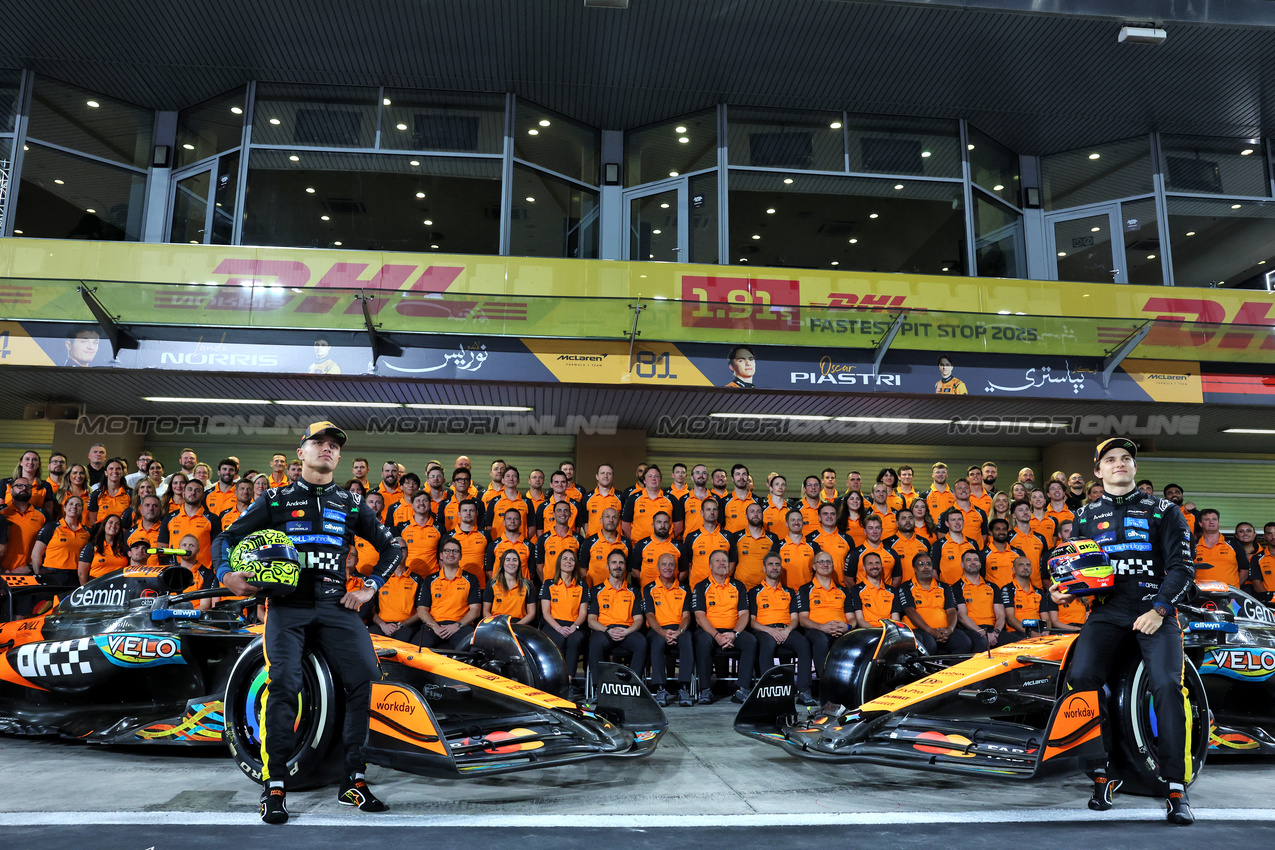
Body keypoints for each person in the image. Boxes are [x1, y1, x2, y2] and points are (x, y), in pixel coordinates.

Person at [213, 421, 403, 823]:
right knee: (283, 685)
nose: (328, 449)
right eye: (319, 442)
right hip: (288, 605)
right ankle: (275, 786)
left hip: (337, 604)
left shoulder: (352, 503)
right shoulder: (275, 498)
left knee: (366, 680)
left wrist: (369, 587)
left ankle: (353, 780)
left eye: (334, 445)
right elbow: (225, 539)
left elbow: (392, 548)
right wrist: (226, 575)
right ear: (301, 453)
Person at [1057, 437, 1195, 824]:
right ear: (1098, 472)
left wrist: (1160, 608)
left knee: (1167, 685)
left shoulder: (1165, 510)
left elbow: (1184, 569)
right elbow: (1080, 571)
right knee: (1082, 677)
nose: (1120, 463)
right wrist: (1066, 590)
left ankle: (1175, 786)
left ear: (1134, 468)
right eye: (1111, 459)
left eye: (1126, 459)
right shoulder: (1085, 516)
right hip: (1107, 611)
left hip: (1155, 608)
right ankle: (1101, 773)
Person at [750, 551, 816, 706]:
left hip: (786, 630)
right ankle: (770, 689)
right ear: (764, 568)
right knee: (767, 644)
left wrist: (787, 630)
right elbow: (751, 622)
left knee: (804, 644)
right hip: (764, 631)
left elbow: (795, 619)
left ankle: (803, 691)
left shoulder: (789, 592)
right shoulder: (754, 592)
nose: (774, 567)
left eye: (777, 564)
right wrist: (770, 631)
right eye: (770, 564)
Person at [692, 549, 756, 705]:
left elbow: (744, 615)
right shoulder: (701, 586)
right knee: (701, 641)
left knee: (751, 641)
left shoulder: (738, 586)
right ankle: (705, 690)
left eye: (724, 561)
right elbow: (699, 616)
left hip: (733, 631)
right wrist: (717, 636)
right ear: (710, 565)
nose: (722, 564)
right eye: (717, 561)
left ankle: (743, 690)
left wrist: (734, 634)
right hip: (710, 632)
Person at [587, 550, 646, 697]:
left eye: (621, 562)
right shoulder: (596, 590)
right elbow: (591, 620)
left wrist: (627, 631)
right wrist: (607, 630)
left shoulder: (634, 591)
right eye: (614, 562)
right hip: (604, 631)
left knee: (642, 643)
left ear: (625, 566)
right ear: (607, 566)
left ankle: (632, 687)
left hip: (627, 631)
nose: (617, 566)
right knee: (594, 643)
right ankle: (599, 689)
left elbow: (639, 619)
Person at [643, 552, 693, 708]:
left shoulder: (685, 589)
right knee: (657, 642)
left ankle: (684, 688)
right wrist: (662, 632)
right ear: (658, 567)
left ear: (676, 568)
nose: (667, 567)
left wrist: (680, 631)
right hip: (658, 630)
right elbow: (650, 616)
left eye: (671, 564)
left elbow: (686, 616)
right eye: (664, 564)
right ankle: (660, 688)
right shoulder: (649, 588)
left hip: (679, 629)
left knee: (687, 640)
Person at [897, 552, 971, 655]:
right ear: (914, 569)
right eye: (921, 564)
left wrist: (949, 630)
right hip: (918, 630)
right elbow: (910, 611)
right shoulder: (906, 586)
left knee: (964, 642)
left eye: (929, 564)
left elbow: (951, 611)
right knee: (930, 643)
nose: (926, 567)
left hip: (943, 631)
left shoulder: (944, 586)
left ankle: (952, 671)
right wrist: (931, 631)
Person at [540, 549, 589, 699]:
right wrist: (558, 628)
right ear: (559, 563)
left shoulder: (581, 585)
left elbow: (583, 613)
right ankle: (556, 682)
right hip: (554, 624)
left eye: (572, 559)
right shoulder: (549, 583)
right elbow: (546, 612)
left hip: (575, 624)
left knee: (574, 640)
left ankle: (568, 683)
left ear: (576, 564)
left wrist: (574, 626)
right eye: (565, 559)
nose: (568, 562)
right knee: (559, 639)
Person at [30, 494, 91, 587]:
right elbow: (35, 555)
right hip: (52, 575)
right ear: (65, 508)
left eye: (78, 505)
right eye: (71, 504)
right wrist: (41, 575)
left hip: (74, 577)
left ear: (82, 510)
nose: (74, 507)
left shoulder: (87, 532)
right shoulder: (52, 527)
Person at [953, 549, 1004, 651]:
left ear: (980, 564)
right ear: (962, 564)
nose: (973, 562)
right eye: (969, 560)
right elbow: (962, 616)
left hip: (993, 629)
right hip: (971, 629)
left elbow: (1001, 615)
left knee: (1016, 643)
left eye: (976, 560)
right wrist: (983, 633)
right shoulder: (956, 587)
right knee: (982, 642)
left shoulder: (992, 587)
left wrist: (996, 633)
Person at [368, 557, 422, 644]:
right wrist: (383, 625)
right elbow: (371, 609)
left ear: (407, 553)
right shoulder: (380, 578)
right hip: (381, 624)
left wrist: (401, 625)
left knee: (402, 641)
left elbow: (421, 611)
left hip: (406, 625)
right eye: (398, 550)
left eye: (403, 549)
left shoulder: (417, 579)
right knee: (368, 639)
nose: (400, 552)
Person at [1, 478, 46, 574]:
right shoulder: (1, 513)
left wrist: (30, 567)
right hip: (2, 572)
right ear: (11, 490)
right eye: (19, 486)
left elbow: (49, 546)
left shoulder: (43, 515)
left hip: (28, 573)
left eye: (28, 486)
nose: (24, 488)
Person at [1193, 509, 1248, 588]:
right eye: (1207, 519)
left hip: (1229, 595)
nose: (1211, 522)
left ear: (1218, 522)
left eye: (1214, 519)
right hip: (1202, 595)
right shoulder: (1193, 546)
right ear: (1200, 524)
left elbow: (1245, 570)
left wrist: (1234, 589)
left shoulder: (1233, 543)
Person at [484, 549, 536, 625]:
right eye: (508, 560)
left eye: (515, 560)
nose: (511, 563)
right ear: (502, 563)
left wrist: (517, 626)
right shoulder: (492, 583)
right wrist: (497, 624)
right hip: (497, 623)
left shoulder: (527, 585)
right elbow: (485, 611)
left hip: (519, 623)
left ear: (519, 564)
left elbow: (532, 613)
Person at [77, 514, 129, 583]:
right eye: (110, 522)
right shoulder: (92, 546)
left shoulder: (124, 547)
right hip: (96, 587)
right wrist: (86, 591)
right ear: (104, 525)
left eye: (117, 524)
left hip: (118, 587)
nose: (113, 525)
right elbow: (81, 573)